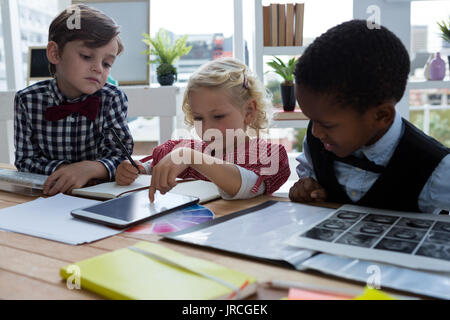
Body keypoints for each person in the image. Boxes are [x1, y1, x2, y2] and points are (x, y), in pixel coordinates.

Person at [289, 20, 450, 214]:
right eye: (311, 119)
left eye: (327, 125)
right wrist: (306, 188)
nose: (315, 132)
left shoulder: (437, 169)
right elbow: (310, 176)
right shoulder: (318, 142)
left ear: (382, 116)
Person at [116, 58, 290, 202]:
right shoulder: (184, 150)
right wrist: (135, 171)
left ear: (249, 112)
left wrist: (189, 156)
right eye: (199, 118)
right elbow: (155, 168)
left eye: (218, 116)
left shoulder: (267, 155)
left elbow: (247, 187)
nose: (207, 128)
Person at [14, 4, 133, 196]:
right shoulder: (27, 100)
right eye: (86, 56)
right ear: (55, 53)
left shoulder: (112, 98)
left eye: (107, 63)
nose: (98, 68)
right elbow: (25, 160)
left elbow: (120, 155)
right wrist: (64, 171)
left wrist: (90, 168)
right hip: (47, 197)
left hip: (100, 198)